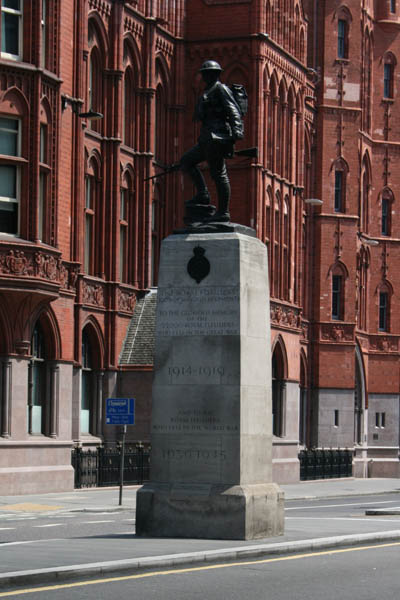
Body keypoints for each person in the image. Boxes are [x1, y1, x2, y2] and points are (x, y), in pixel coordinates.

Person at [180, 60, 244, 222]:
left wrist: (237, 131)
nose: (204, 76)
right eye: (204, 73)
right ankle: (203, 194)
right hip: (206, 139)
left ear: (214, 74)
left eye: (207, 73)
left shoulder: (220, 89)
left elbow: (233, 110)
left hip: (217, 138)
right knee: (186, 162)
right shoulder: (207, 91)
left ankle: (223, 212)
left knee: (219, 174)